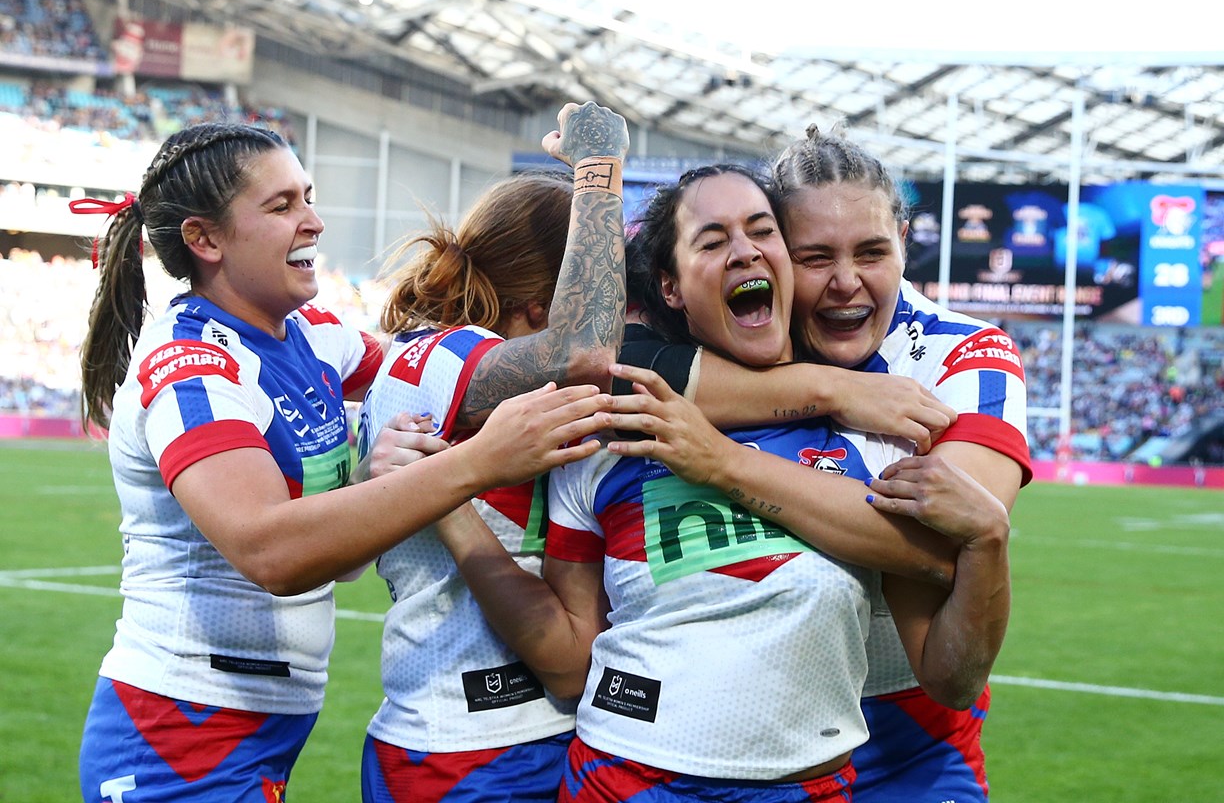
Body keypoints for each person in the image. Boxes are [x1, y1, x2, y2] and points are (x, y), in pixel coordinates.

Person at [428, 164, 1012, 801]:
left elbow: (934, 574)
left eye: (763, 231)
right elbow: (570, 659)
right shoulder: (607, 430)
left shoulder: (874, 426)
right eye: (712, 241)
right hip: (622, 781)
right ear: (670, 288)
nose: (745, 251)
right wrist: (447, 501)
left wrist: (986, 543)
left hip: (832, 777)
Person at [72, 121, 611, 802]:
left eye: (309, 197)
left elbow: (437, 378)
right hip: (176, 728)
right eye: (282, 207)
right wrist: (474, 466)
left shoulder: (318, 340)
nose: (314, 221)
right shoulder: (193, 369)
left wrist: (372, 476)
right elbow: (272, 554)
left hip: (264, 724)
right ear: (204, 240)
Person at [616, 126, 1031, 801]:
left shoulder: (965, 356)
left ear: (902, 237)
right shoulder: (738, 333)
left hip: (907, 740)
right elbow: (588, 363)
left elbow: (939, 546)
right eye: (815, 257)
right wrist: (827, 389)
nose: (845, 283)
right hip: (741, 739)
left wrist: (721, 458)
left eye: (872, 252)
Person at [354, 101, 630, 801]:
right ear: (544, 305)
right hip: (487, 741)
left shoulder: (417, 355)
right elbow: (586, 350)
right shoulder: (462, 356)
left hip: (434, 729)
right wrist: (599, 171)